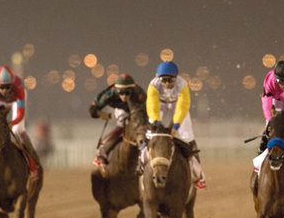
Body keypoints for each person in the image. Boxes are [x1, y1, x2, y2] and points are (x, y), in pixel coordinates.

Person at [145, 60, 207, 190]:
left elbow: (183, 106)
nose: (166, 84)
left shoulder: (182, 84)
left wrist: (176, 126)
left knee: (187, 134)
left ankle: (198, 175)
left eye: (170, 80)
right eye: (164, 80)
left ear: (176, 78)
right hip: (160, 104)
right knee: (149, 131)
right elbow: (152, 106)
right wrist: (157, 122)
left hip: (176, 104)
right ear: (158, 78)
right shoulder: (153, 85)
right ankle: (140, 165)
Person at [0, 65, 40, 182]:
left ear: (13, 84)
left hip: (16, 101)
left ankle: (33, 160)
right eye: (2, 87)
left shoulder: (19, 87)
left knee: (17, 130)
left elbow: (20, 114)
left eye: (8, 87)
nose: (5, 91)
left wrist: (11, 123)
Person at [89, 73, 146, 168]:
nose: (124, 96)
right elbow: (93, 109)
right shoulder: (109, 93)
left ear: (132, 90)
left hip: (137, 109)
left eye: (127, 93)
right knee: (120, 127)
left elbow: (147, 110)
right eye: (121, 93)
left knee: (143, 128)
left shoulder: (139, 93)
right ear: (116, 91)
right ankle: (102, 154)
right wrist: (102, 114)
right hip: (122, 109)